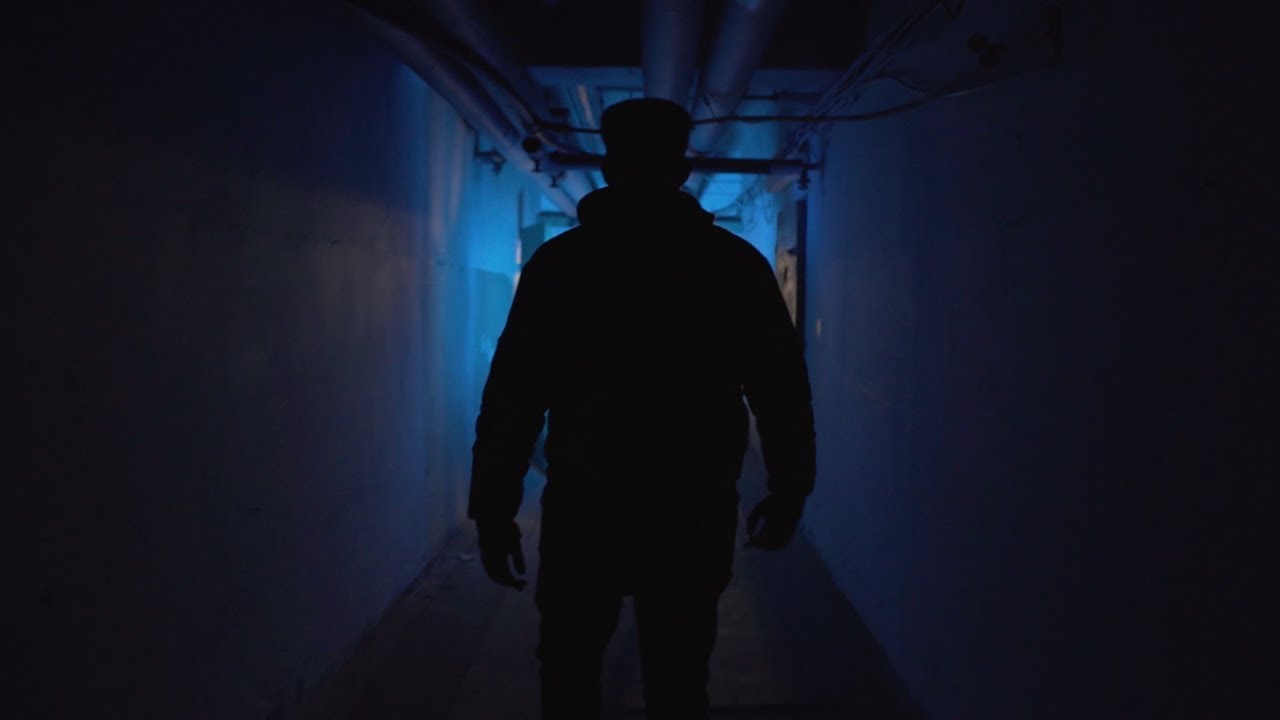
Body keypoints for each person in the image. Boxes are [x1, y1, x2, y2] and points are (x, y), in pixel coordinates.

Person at [469, 97, 816, 720]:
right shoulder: (731, 266)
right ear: (681, 169)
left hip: (586, 502)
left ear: (608, 167)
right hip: (692, 503)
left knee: (569, 671)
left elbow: (514, 396)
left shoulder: (563, 265)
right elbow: (780, 388)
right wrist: (790, 487)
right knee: (678, 678)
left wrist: (493, 508)